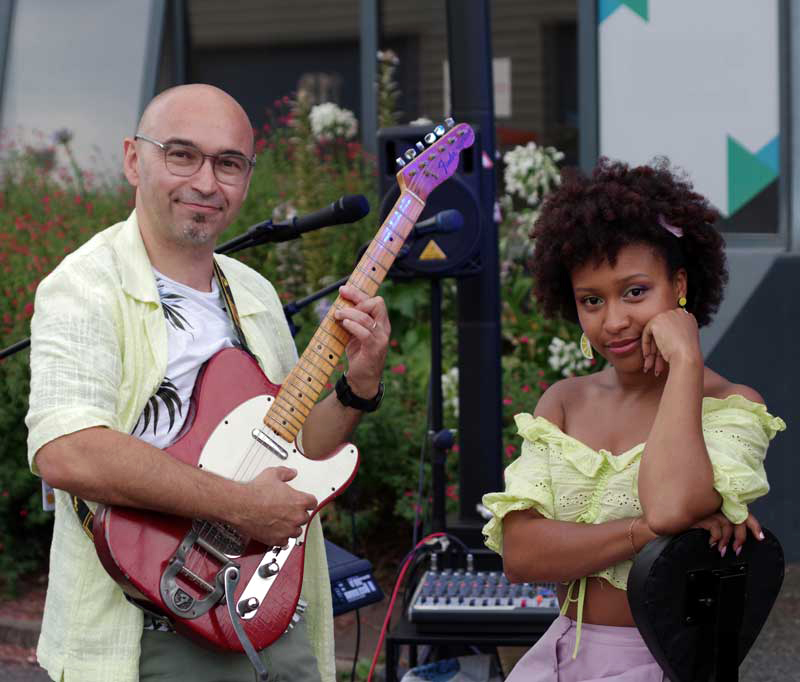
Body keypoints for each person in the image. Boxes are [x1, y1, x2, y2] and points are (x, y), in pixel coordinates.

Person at [25, 84, 390, 682]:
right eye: (181, 155)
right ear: (132, 159)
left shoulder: (254, 294)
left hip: (272, 613)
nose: (205, 181)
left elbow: (295, 448)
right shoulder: (84, 287)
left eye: (227, 163)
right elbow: (67, 451)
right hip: (147, 633)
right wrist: (243, 507)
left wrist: (358, 384)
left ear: (246, 178)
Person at [482, 158, 786, 681]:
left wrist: (686, 361)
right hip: (558, 656)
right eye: (592, 300)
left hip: (661, 665)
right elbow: (521, 553)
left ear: (680, 285)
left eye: (636, 291)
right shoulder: (563, 401)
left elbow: (672, 504)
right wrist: (645, 532)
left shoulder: (733, 405)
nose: (615, 320)